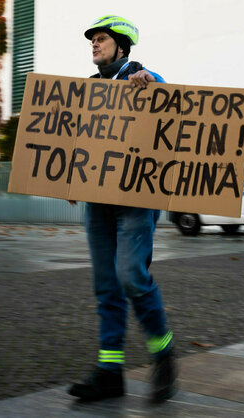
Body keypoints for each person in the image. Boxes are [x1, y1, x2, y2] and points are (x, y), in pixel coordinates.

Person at [68, 15, 177, 403]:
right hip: (98, 203)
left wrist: (152, 82)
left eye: (101, 39)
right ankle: (109, 372)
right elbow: (77, 139)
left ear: (121, 46)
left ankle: (163, 354)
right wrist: (67, 177)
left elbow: (171, 103)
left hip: (136, 201)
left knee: (131, 276)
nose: (94, 45)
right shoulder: (87, 90)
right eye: (92, 41)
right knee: (106, 286)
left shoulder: (141, 78)